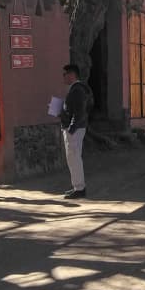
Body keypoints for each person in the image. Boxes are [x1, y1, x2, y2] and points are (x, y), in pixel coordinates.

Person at [60, 63, 90, 198]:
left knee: (74, 158)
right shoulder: (76, 89)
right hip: (75, 128)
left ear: (72, 75)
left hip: (74, 129)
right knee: (73, 158)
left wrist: (71, 128)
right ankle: (77, 187)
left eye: (64, 74)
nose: (63, 77)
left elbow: (79, 112)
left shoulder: (77, 90)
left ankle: (79, 188)